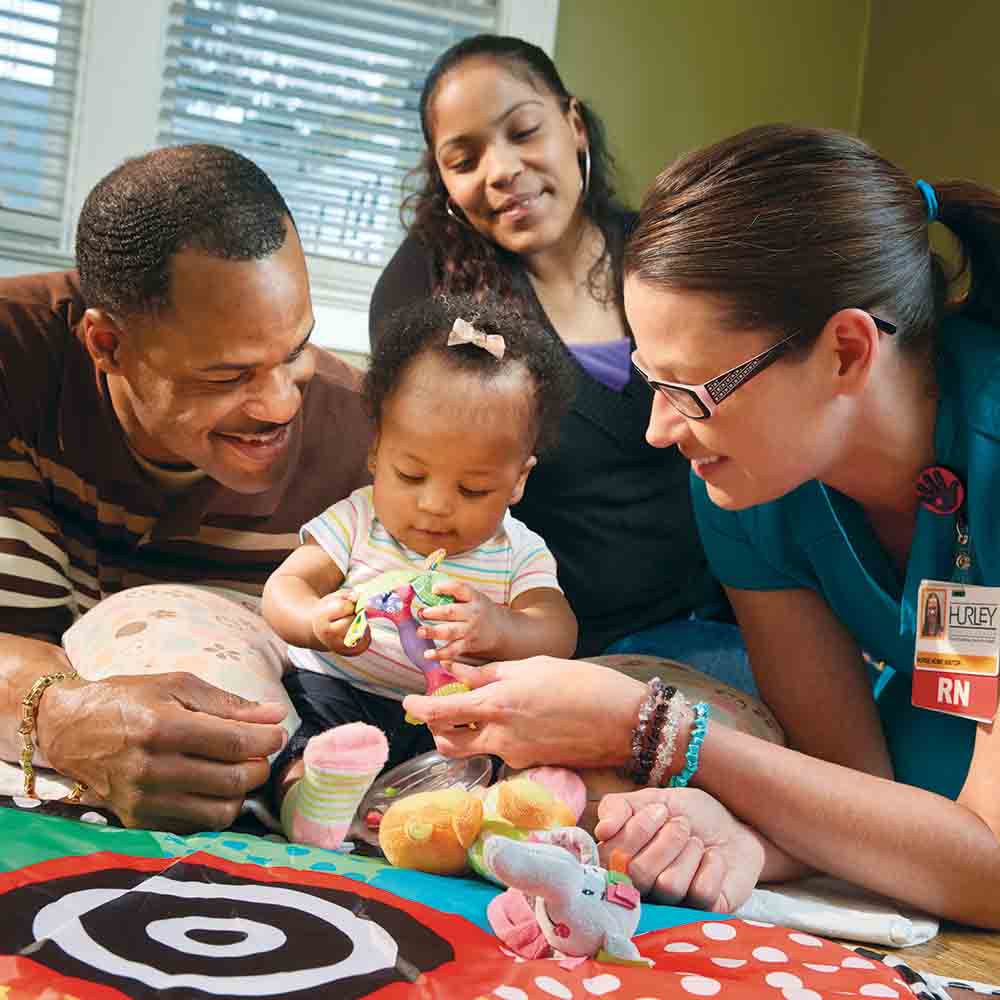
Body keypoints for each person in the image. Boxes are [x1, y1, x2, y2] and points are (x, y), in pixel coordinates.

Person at [403, 125, 1000, 929]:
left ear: (847, 352)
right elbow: (850, 781)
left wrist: (651, 725)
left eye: (690, 387)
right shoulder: (748, 483)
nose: (658, 429)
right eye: (651, 379)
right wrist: (752, 841)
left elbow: (991, 871)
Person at [0, 144, 371, 832]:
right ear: (106, 344)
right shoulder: (11, 356)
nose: (280, 404)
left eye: (296, 353)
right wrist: (51, 714)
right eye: (228, 376)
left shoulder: (366, 446)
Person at [370, 34, 741, 680]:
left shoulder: (667, 254)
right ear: (444, 182)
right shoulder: (427, 297)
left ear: (572, 125)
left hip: (715, 616)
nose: (501, 170)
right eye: (464, 160)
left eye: (522, 131)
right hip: (534, 644)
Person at [262, 294, 577, 849]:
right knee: (305, 741)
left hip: (453, 718)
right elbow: (285, 587)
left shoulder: (517, 551)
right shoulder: (359, 520)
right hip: (341, 688)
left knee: (500, 754)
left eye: (473, 489)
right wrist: (315, 619)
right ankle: (310, 802)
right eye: (411, 475)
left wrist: (501, 629)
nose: (435, 505)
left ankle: (465, 821)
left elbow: (558, 630)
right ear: (378, 451)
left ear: (518, 481)